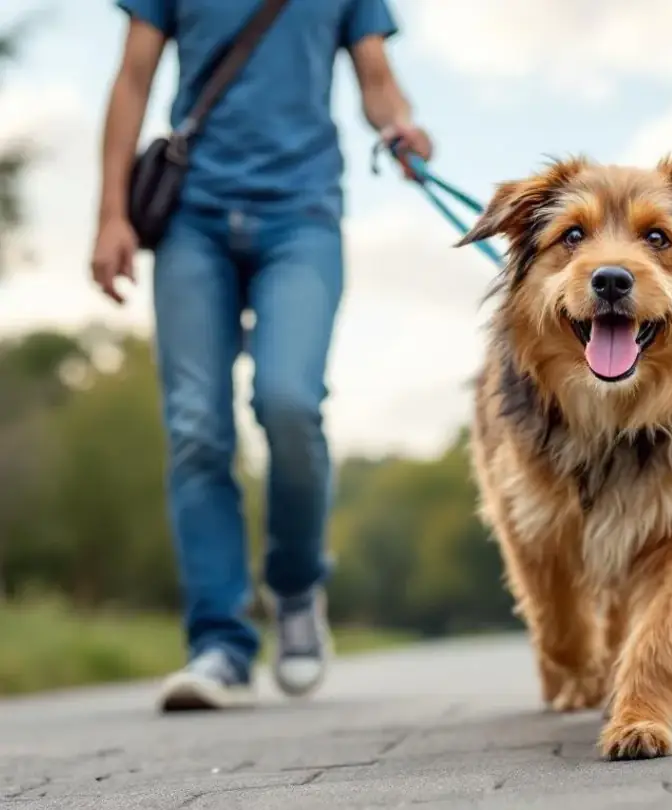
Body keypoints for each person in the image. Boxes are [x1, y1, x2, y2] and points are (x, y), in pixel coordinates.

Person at [89, 0, 432, 711]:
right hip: (193, 217)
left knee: (290, 401)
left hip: (301, 213)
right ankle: (219, 643)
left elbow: (374, 73)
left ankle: (298, 583)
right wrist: (111, 213)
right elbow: (131, 80)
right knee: (195, 428)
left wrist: (396, 121)